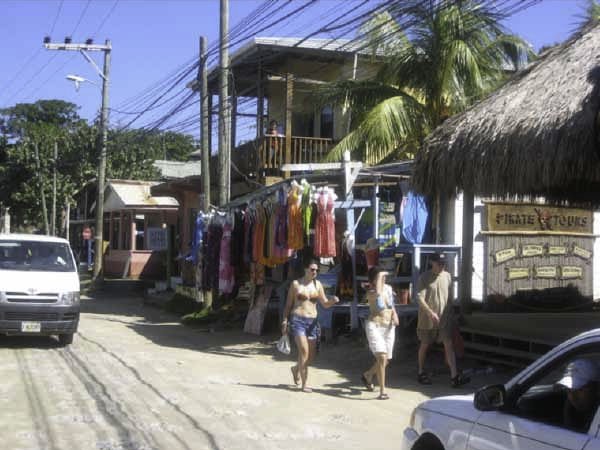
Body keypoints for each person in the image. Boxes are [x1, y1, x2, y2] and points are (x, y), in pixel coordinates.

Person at [281, 259, 339, 393]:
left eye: (316, 270)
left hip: (312, 322)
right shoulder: (296, 284)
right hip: (298, 320)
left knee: (311, 356)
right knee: (304, 352)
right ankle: (304, 384)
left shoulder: (317, 285)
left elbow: (325, 304)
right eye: (312, 269)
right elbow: (288, 305)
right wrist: (284, 320)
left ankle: (296, 369)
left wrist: (333, 301)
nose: (315, 272)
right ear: (306, 269)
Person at [416, 253, 469, 387]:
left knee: (448, 344)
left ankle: (454, 377)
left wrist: (453, 316)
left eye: (443, 263)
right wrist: (430, 313)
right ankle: (420, 371)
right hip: (427, 320)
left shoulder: (448, 276)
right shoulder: (424, 278)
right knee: (425, 344)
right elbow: (420, 299)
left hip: (445, 318)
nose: (442, 266)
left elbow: (450, 298)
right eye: (439, 263)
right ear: (432, 263)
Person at [361, 266, 399, 400]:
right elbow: (378, 293)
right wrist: (380, 274)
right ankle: (382, 391)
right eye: (380, 277)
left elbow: (390, 304)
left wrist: (395, 314)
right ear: (373, 280)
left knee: (386, 359)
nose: (383, 279)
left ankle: (368, 375)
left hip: (388, 326)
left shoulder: (388, 288)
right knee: (382, 357)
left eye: (384, 277)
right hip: (375, 325)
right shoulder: (371, 291)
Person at [556, 358, 600, 433]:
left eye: (580, 390)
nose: (573, 397)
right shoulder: (570, 410)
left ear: (597, 388)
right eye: (569, 389)